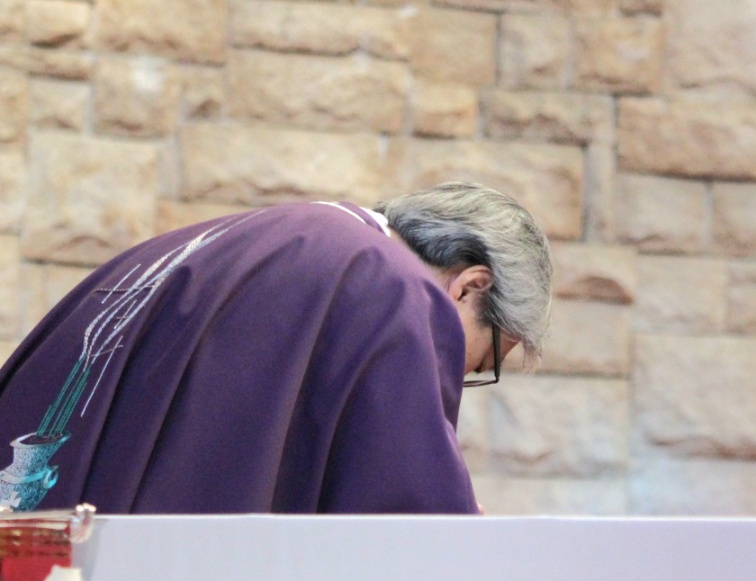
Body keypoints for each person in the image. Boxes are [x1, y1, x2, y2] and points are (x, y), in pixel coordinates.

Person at [0, 182, 552, 514]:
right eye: (481, 361)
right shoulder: (391, 286)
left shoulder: (279, 237)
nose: (459, 376)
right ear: (471, 287)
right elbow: (409, 513)